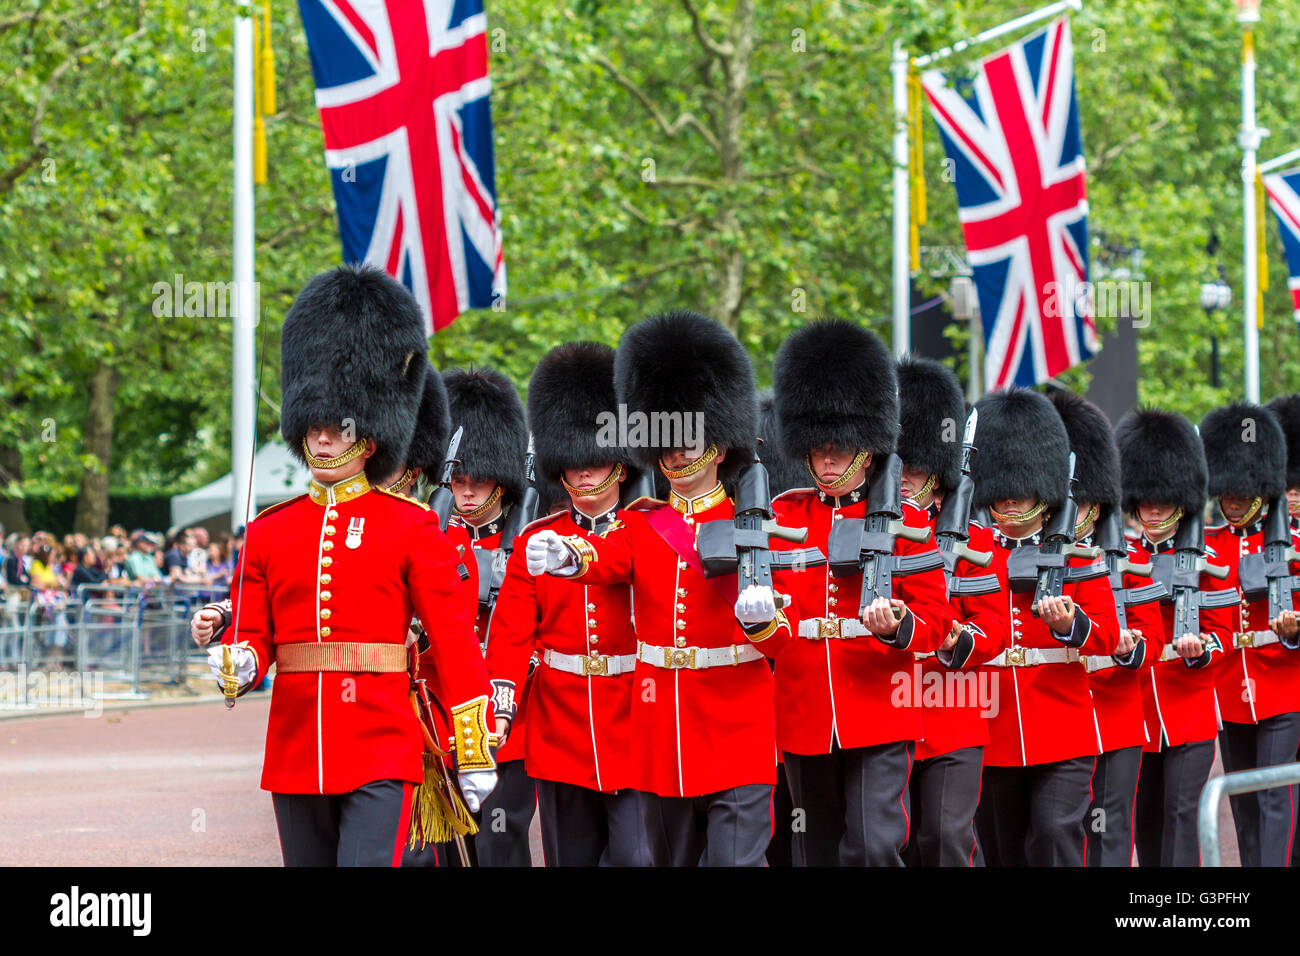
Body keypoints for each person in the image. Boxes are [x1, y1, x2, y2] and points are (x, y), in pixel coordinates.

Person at [200, 263, 496, 867]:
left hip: (383, 747)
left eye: (338, 425)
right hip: (295, 748)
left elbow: (454, 641)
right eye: (315, 424)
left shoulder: (409, 525)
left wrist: (473, 748)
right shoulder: (268, 531)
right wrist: (239, 659)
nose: (325, 438)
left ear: (370, 430)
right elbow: (257, 637)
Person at [527, 310, 793, 866]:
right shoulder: (643, 524)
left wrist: (763, 618)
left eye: (689, 441)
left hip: (736, 729)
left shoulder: (758, 525)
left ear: (718, 448)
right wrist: (570, 555)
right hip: (662, 733)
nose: (675, 454)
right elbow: (605, 557)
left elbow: (781, 643)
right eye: (666, 443)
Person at [767, 322, 953, 867]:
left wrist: (899, 625)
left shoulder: (908, 519)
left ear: (867, 451)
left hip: (879, 704)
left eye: (839, 449)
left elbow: (937, 619)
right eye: (818, 450)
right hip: (803, 707)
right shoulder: (783, 516)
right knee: (816, 848)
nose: (826, 461)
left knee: (874, 846)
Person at [485, 341, 650, 866]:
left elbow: (616, 561)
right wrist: (504, 699)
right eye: (573, 463)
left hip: (632, 715)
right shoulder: (536, 537)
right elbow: (512, 628)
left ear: (620, 467)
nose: (583, 473)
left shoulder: (648, 528)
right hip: (560, 721)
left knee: (635, 857)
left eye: (595, 461)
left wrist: (575, 556)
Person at [968, 388, 1121, 867]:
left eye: (1022, 495)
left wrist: (1073, 623)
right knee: (1002, 849)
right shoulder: (973, 553)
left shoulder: (1076, 554)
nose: (1011, 504)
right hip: (992, 729)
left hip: (1063, 723)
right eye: (1003, 496)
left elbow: (1110, 637)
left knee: (1056, 836)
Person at [894, 358, 1008, 867]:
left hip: (954, 709)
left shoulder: (975, 539)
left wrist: (950, 638)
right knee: (893, 841)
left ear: (936, 476)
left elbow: (994, 631)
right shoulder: (871, 531)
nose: (901, 479)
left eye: (912, 469)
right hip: (885, 709)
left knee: (945, 838)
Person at [1116, 407, 1232, 866]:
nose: (1155, 510)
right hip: (1139, 710)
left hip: (1190, 710)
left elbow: (1222, 632)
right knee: (1145, 820)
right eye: (1146, 501)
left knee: (1183, 815)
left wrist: (1202, 650)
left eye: (1163, 501)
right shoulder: (1121, 557)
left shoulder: (1204, 558)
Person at [1049, 390, 1158, 867]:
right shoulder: (1036, 555)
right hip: (1053, 713)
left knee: (1110, 834)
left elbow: (1150, 637)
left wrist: (1128, 645)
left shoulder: (1132, 560)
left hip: (1113, 711)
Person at [442, 363, 536, 867]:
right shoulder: (435, 539)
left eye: (479, 481)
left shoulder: (526, 541)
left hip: (507, 718)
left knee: (501, 844)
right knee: (444, 850)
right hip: (443, 714)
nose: (468, 491)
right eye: (458, 480)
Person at [1201, 401, 1300, 867]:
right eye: (1227, 494)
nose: (1233, 502)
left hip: (1284, 685)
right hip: (1230, 690)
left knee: (1273, 797)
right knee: (1241, 803)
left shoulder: (1292, 543)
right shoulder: (1209, 544)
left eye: (1241, 493)